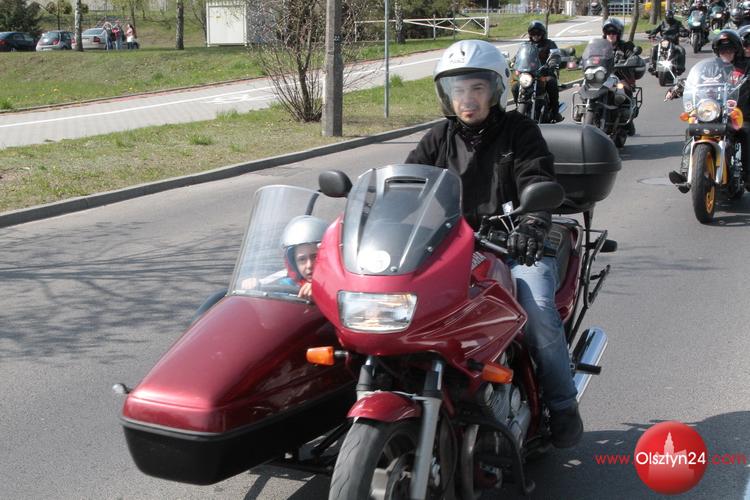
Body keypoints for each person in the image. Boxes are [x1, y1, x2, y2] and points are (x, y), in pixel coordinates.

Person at [405, 39, 583, 449]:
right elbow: (408, 183)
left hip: (512, 245)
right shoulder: (438, 138)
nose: (467, 99)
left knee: (537, 311)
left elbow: (537, 178)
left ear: (496, 90)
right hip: (452, 249)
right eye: (459, 90)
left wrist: (531, 225)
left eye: (477, 88)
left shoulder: (519, 131)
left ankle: (562, 405)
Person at [239, 215, 326, 300]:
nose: (309, 265)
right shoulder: (288, 284)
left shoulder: (334, 283)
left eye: (315, 257)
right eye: (302, 259)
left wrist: (320, 290)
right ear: (294, 263)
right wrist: (252, 285)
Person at [512, 20, 564, 123]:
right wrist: (513, 62)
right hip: (529, 74)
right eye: (533, 33)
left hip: (544, 74)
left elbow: (555, 55)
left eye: (538, 33)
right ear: (530, 34)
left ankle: (555, 111)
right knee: (515, 87)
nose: (535, 35)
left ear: (543, 33)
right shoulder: (526, 45)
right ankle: (519, 105)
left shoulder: (549, 44)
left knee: (551, 83)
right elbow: (518, 57)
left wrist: (552, 64)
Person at [603, 18, 640, 135]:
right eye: (608, 32)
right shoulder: (599, 45)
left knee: (625, 90)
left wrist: (632, 59)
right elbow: (588, 56)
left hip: (619, 76)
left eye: (613, 32)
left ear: (618, 34)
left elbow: (632, 55)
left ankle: (627, 118)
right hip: (601, 77)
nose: (611, 35)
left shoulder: (625, 46)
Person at [647, 10, 687, 76]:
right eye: (668, 17)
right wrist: (652, 34)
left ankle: (680, 67)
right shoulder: (662, 23)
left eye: (670, 17)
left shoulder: (677, 23)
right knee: (653, 49)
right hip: (664, 42)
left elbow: (682, 29)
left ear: (672, 16)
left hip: (674, 43)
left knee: (682, 50)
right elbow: (655, 29)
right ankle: (652, 66)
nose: (669, 18)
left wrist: (683, 32)